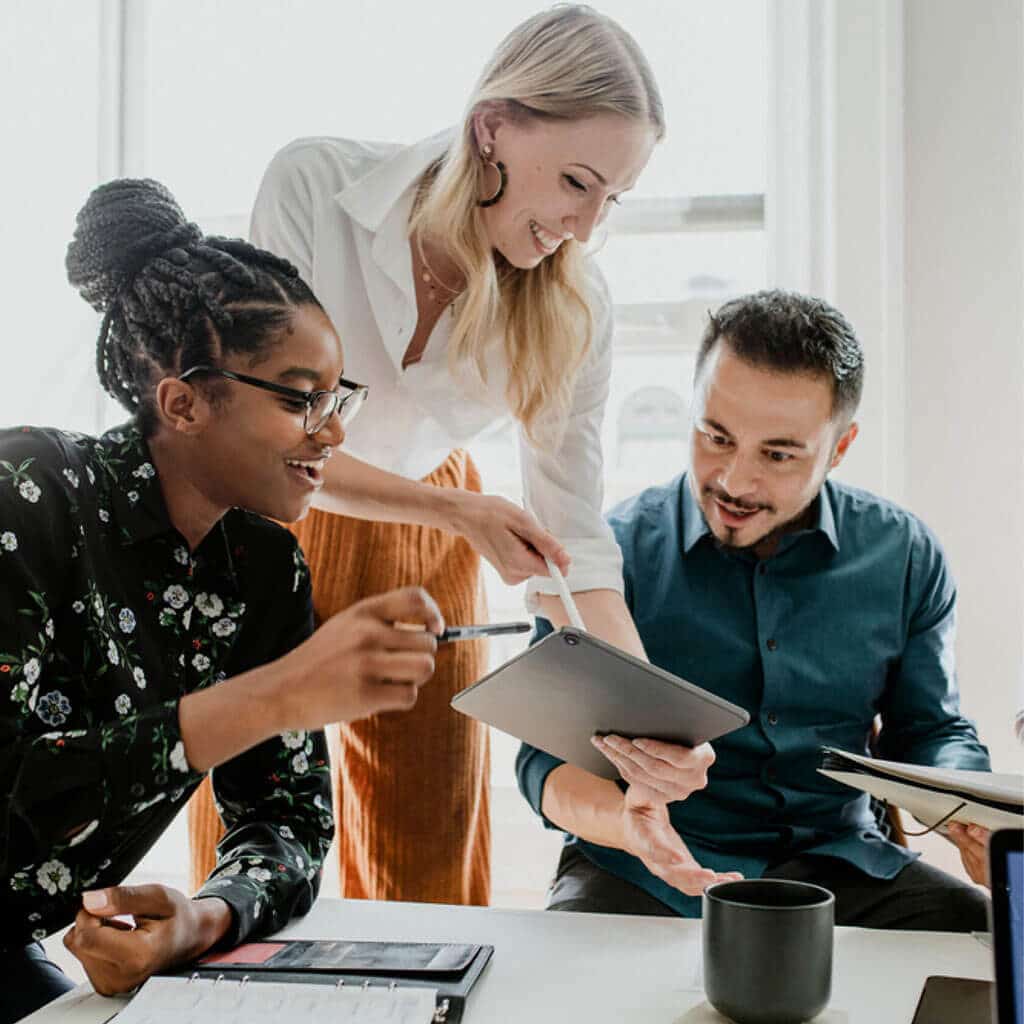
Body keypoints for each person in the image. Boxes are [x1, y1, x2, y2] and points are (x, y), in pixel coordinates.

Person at [186, 4, 684, 907]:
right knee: (244, 836)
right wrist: (459, 513)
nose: (583, 224)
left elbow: (575, 542)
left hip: (429, 521)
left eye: (611, 199)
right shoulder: (315, 185)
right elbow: (265, 441)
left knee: (429, 845)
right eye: (576, 181)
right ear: (491, 126)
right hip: (259, 518)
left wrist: (650, 722)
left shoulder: (577, 306)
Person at [0, 178, 446, 1022]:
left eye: (336, 396)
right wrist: (274, 696)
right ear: (184, 402)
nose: (334, 430)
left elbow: (289, 817)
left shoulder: (264, 566)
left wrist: (201, 920)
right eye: (299, 396)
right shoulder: (26, 493)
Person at [517, 289, 994, 931]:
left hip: (842, 867)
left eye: (777, 455)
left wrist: (978, 814)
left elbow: (930, 731)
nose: (735, 481)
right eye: (715, 437)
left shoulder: (903, 554)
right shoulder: (609, 554)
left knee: (990, 953)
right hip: (645, 869)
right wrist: (632, 829)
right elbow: (542, 761)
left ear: (840, 446)